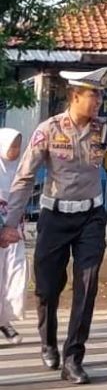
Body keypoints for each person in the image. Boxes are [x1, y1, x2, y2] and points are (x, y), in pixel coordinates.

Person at [0, 67, 107, 385]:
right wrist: (9, 224)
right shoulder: (47, 131)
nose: (99, 100)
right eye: (94, 94)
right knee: (47, 288)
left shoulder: (105, 132)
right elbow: (24, 178)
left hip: (91, 217)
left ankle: (73, 358)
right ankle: (48, 342)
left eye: (101, 94)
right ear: (75, 96)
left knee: (87, 287)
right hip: (54, 217)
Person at [0, 128, 27, 344]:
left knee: (16, 273)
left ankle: (5, 319)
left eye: (18, 146)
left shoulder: (18, 170)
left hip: (15, 231)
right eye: (12, 146)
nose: (16, 151)